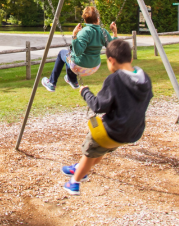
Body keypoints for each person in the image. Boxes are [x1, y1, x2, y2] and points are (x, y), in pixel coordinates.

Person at [61, 39, 153, 195]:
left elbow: (98, 106)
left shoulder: (115, 79)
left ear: (111, 60)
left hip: (112, 130)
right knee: (100, 150)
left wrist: (85, 92)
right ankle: (80, 167)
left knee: (90, 151)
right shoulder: (145, 79)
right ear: (130, 59)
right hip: (132, 132)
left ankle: (74, 182)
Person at [41, 6, 117, 91]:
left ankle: (52, 83)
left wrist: (74, 35)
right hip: (94, 67)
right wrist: (114, 33)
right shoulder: (103, 32)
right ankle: (73, 80)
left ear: (85, 20)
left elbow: (78, 52)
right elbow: (113, 48)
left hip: (79, 67)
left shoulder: (84, 32)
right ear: (98, 19)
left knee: (62, 53)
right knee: (69, 55)